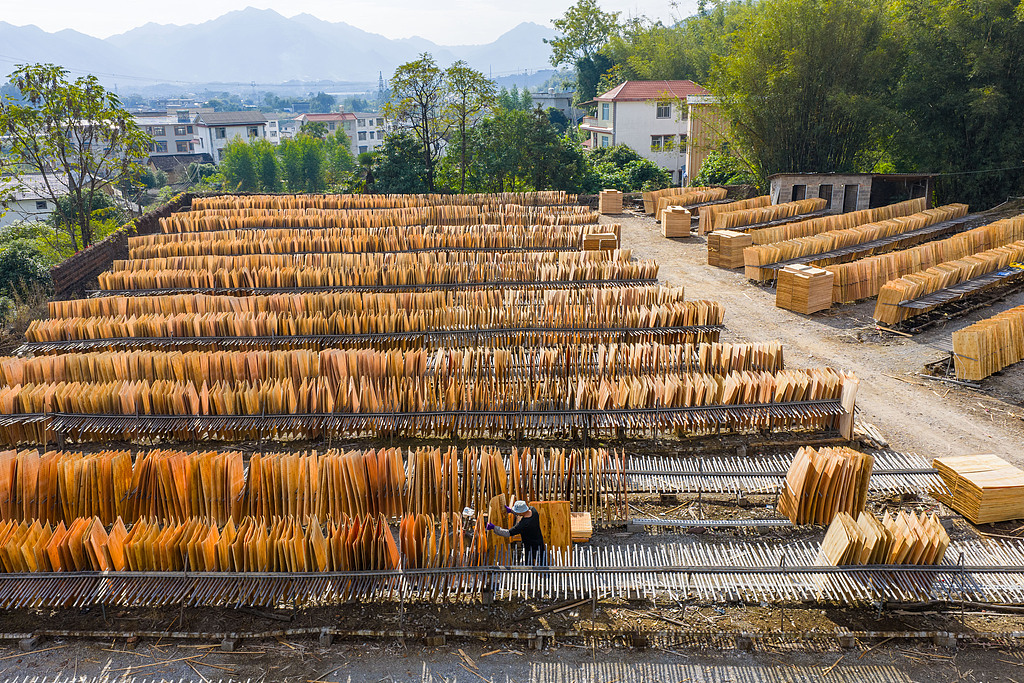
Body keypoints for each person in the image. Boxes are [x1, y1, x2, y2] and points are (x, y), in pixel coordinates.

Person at [486, 500, 546, 566]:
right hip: (539, 540)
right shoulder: (533, 510)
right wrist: (512, 511)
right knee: (542, 559)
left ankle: (536, 574)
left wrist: (494, 528)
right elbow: (523, 512)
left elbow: (508, 533)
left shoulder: (523, 525)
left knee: (531, 562)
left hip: (530, 545)